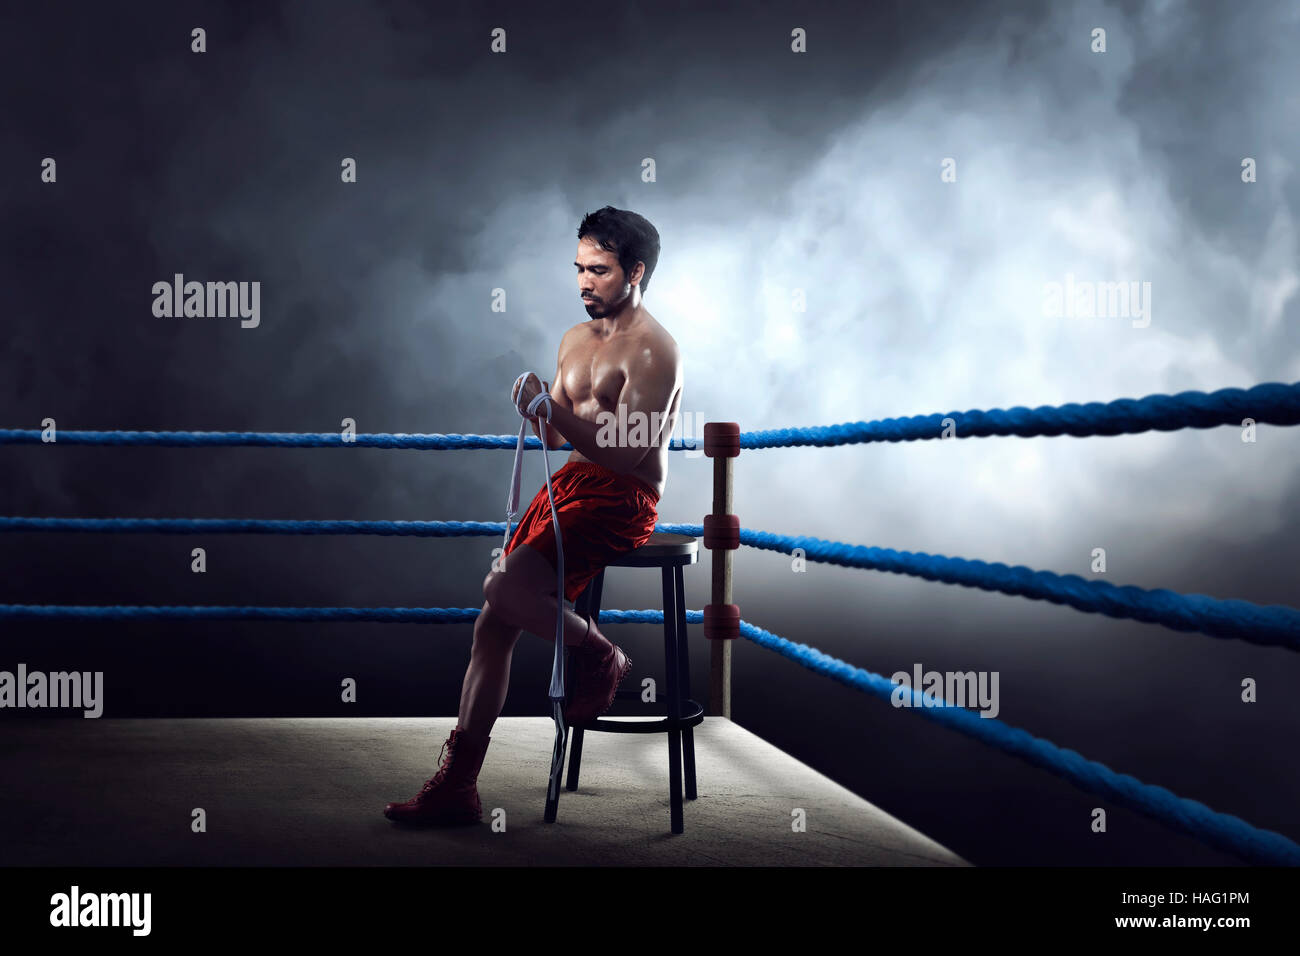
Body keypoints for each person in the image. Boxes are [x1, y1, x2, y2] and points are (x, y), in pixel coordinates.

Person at [385, 206, 683, 825]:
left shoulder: (655, 351)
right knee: (493, 622)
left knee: (501, 588)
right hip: (571, 486)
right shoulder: (574, 340)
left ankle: (600, 651)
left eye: (598, 271)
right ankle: (457, 787)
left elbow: (626, 452)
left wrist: (555, 411)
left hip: (622, 498)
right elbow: (561, 439)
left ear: (636, 271)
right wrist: (534, 408)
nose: (583, 283)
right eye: (578, 269)